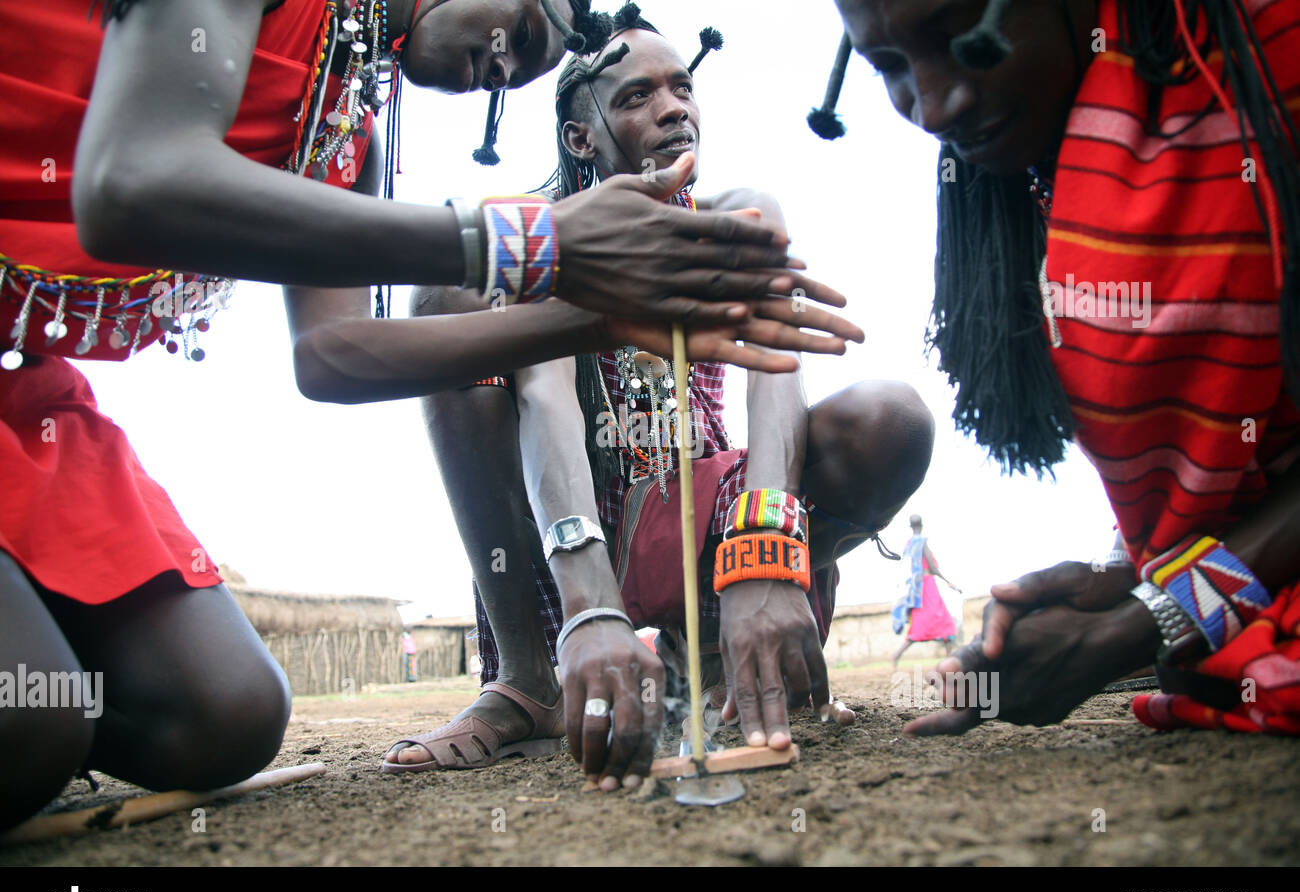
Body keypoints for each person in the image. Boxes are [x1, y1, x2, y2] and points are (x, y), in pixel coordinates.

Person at [0, 0, 853, 830]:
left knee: (229, 717)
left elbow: (328, 357)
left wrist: (595, 315)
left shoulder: (343, 123)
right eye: (519, 32)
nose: (504, 66)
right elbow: (129, 180)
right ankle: (529, 674)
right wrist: (535, 248)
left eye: (525, 64)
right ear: (581, 137)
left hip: (20, 396)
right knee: (29, 729)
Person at [382, 6, 935, 789]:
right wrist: (591, 606)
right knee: (446, 302)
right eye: (638, 96)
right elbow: (548, 402)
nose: (674, 107)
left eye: (682, 88)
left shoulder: (736, 213)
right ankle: (529, 678)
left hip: (707, 515)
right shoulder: (541, 236)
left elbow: (776, 373)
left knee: (890, 419)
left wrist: (765, 550)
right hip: (571, 522)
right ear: (581, 138)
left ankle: (720, 650)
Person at [826, 0, 1300, 734]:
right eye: (887, 65)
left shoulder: (1271, 50)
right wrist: (1129, 579)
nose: (933, 104)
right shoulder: (1052, 164)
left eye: (962, 38)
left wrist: (1146, 623)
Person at [890, 515, 959, 667]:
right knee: (944, 622)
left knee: (923, 624)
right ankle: (950, 661)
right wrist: (950, 583)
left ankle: (896, 656)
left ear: (910, 526)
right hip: (927, 588)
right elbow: (933, 568)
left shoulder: (909, 544)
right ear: (922, 525)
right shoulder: (921, 542)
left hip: (916, 590)